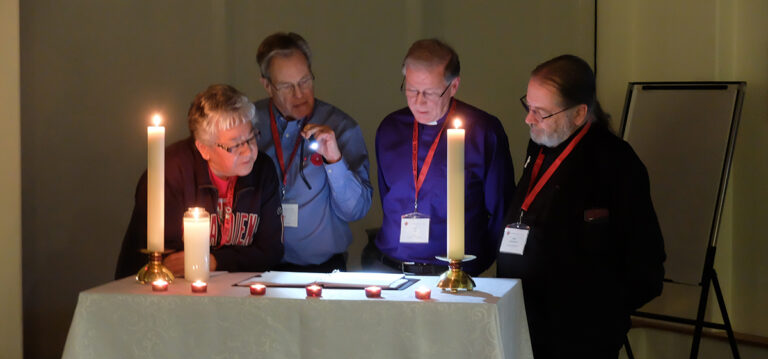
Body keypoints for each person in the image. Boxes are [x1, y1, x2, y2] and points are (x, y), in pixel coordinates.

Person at [497, 55, 666, 359]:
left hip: (580, 343)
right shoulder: (540, 146)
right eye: (528, 106)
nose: (528, 118)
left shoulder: (617, 164)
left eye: (541, 112)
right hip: (525, 327)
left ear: (579, 113)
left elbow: (646, 264)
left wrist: (596, 315)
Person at [372, 38, 514, 276]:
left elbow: (500, 210)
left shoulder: (483, 131)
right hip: (392, 269)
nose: (418, 102)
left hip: (453, 274)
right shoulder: (390, 129)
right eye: (411, 90)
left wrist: (474, 265)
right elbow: (387, 195)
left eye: (430, 92)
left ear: (454, 86)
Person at [115, 84, 284, 279]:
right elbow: (171, 260)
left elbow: (271, 251)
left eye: (252, 137)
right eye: (235, 144)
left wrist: (213, 260)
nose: (248, 150)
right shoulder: (170, 173)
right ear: (204, 149)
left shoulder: (263, 169)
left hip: (236, 289)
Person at [253, 32, 372, 272]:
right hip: (258, 270)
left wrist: (334, 160)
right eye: (287, 86)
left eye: (305, 81)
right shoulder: (248, 125)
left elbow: (356, 210)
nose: (299, 94)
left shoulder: (341, 127)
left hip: (323, 271)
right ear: (267, 85)